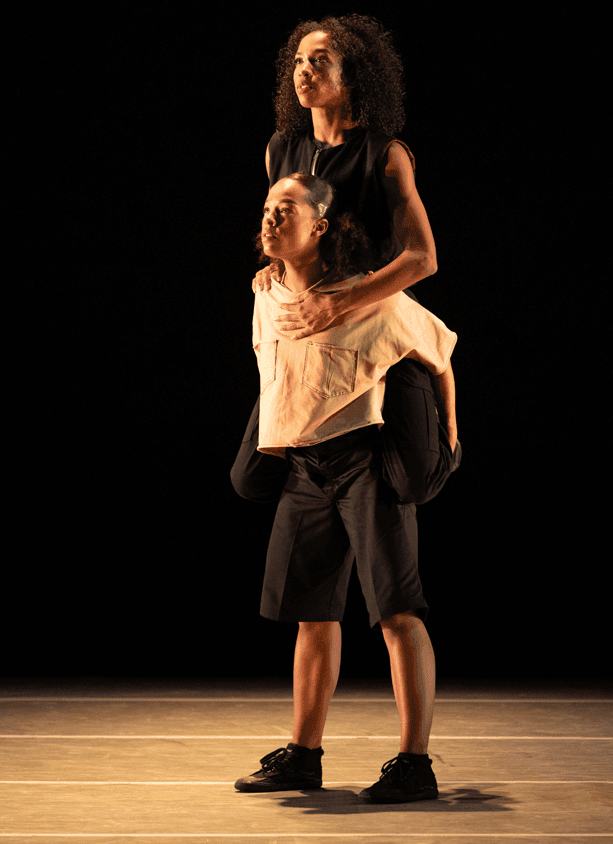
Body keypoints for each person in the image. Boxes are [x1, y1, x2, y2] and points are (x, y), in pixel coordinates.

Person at [233, 173, 456, 804]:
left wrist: (451, 441)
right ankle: (304, 755)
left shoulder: (368, 299)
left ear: (321, 226)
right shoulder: (264, 294)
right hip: (305, 466)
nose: (272, 217)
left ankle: (415, 763)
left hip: (365, 462)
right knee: (311, 614)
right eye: (267, 206)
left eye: (288, 208)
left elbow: (440, 353)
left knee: (395, 613)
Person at [231, 15, 457, 508]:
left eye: (319, 61)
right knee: (251, 476)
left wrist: (339, 304)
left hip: (374, 317)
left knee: (413, 482)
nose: (303, 71)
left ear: (351, 76)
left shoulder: (384, 155)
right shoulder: (281, 149)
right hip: (307, 330)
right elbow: (284, 230)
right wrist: (275, 264)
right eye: (297, 62)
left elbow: (424, 258)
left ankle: (440, 439)